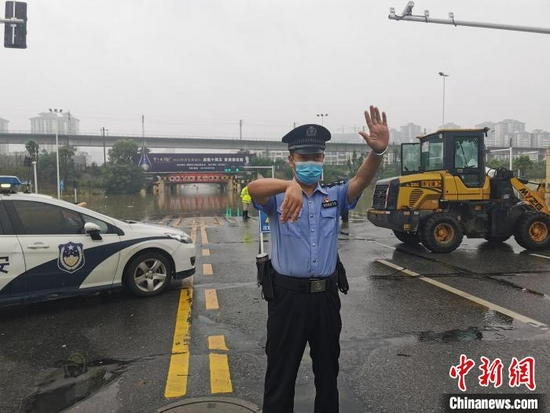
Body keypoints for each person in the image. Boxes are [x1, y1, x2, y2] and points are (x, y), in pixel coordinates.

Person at [248, 105, 389, 413]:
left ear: (323, 160)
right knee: (280, 376)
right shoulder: (277, 197)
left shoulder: (334, 197)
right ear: (291, 160)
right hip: (287, 300)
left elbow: (361, 180)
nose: (310, 163)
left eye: (315, 157)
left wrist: (377, 153)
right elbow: (251, 188)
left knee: (328, 374)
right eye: (303, 158)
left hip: (325, 298)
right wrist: (291, 187)